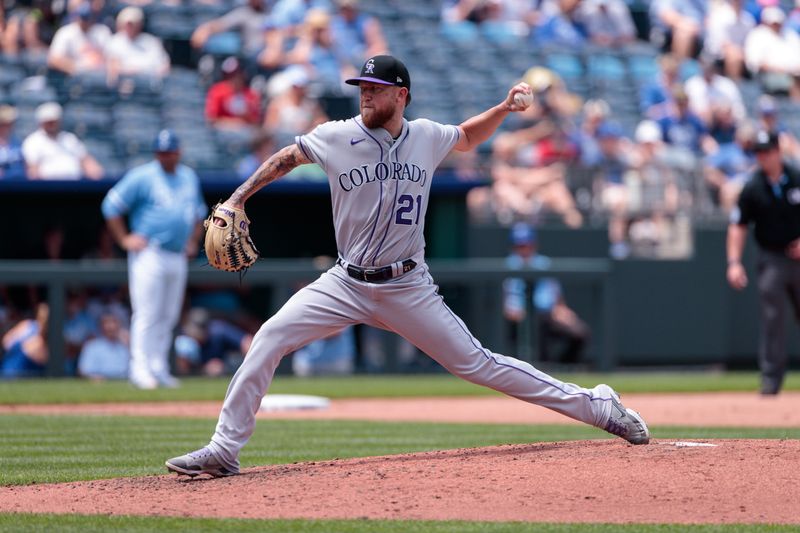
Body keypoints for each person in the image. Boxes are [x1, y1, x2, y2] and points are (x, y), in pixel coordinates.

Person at [165, 54, 650, 478]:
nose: (365, 97)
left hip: (407, 285)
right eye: (362, 89)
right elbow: (286, 158)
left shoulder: (426, 137)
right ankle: (225, 450)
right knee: (270, 336)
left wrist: (502, 109)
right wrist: (235, 199)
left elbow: (465, 137)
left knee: (479, 365)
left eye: (375, 90)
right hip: (345, 281)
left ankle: (597, 405)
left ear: (402, 95)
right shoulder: (336, 136)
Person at [101, 130, 207, 389]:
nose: (165, 156)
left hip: (177, 255)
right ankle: (140, 369)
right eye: (160, 151)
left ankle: (158, 367)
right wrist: (124, 239)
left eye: (169, 151)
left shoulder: (188, 177)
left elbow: (199, 214)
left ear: (178, 152)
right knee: (147, 312)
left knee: (169, 315)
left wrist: (193, 240)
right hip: (150, 253)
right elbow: (111, 205)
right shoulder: (143, 176)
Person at [727, 129, 800, 395]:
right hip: (772, 258)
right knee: (773, 319)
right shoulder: (753, 186)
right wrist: (734, 262)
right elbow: (738, 225)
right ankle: (771, 380)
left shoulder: (796, 177)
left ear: (778, 151)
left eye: (766, 151)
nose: (762, 157)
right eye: (758, 152)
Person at [502, 223, 590, 366]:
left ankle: (565, 369)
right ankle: (544, 368)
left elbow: (557, 297)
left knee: (579, 332)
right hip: (520, 318)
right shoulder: (508, 266)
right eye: (520, 246)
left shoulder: (543, 263)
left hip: (548, 315)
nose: (524, 249)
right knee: (537, 325)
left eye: (527, 245)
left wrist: (561, 309)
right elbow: (506, 303)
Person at [21, 102, 104, 180]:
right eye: (48, 122)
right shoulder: (32, 142)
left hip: (76, 188)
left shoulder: (70, 139)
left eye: (54, 121)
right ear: (42, 122)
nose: (51, 125)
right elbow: (33, 171)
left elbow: (88, 163)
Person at [46, 1, 110, 76]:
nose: (84, 21)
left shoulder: (102, 31)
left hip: (99, 76)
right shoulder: (66, 32)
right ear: (76, 16)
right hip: (75, 79)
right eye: (82, 18)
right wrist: (77, 69)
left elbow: (112, 57)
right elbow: (53, 59)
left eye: (87, 18)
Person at [0, 303, 48, 379]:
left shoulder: (50, 338)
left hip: (26, 374)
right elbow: (6, 342)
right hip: (7, 369)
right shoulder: (27, 325)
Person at [77, 313, 130, 381]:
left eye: (114, 322)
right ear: (101, 326)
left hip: (123, 381)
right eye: (107, 323)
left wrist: (129, 344)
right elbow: (83, 371)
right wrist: (93, 377)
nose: (111, 327)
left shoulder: (125, 345)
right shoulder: (92, 346)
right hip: (101, 382)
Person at [0, 105, 25, 180]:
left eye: (10, 123)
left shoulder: (18, 143)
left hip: (17, 184)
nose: (7, 126)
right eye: (3, 123)